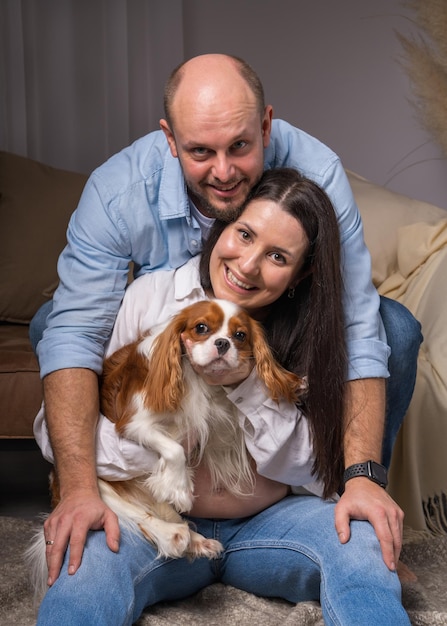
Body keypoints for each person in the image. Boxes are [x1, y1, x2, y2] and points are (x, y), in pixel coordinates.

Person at [31, 54, 421, 591]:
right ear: (170, 140)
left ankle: (363, 499)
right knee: (53, 326)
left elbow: (357, 326)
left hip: (276, 339)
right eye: (200, 151)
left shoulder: (318, 171)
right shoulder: (118, 191)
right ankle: (109, 493)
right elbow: (75, 331)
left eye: (240, 146)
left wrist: (361, 476)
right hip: (161, 340)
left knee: (393, 327)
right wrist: (78, 486)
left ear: (266, 125)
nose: (224, 171)